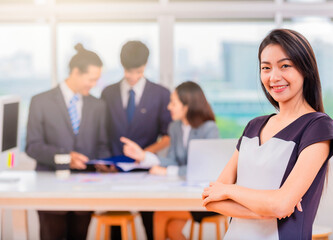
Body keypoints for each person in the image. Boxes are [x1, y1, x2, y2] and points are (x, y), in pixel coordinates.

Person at [201, 29, 333, 240]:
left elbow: (281, 204)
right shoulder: (253, 126)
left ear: (305, 69)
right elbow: (212, 199)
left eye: (285, 65)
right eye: (266, 68)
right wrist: (268, 208)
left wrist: (230, 191)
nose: (274, 77)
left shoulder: (318, 126)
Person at [26, 43, 111, 240]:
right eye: (91, 79)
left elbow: (102, 145)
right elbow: (33, 145)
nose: (93, 85)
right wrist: (65, 158)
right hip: (50, 187)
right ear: (75, 72)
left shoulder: (98, 106)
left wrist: (105, 163)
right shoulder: (40, 101)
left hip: (86, 188)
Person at [121, 81, 219, 240]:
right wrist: (144, 156)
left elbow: (202, 170)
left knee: (160, 215)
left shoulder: (209, 129)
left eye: (173, 103)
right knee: (173, 230)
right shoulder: (175, 127)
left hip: (203, 199)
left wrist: (167, 171)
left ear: (187, 105)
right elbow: (172, 160)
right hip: (183, 195)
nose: (169, 107)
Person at [100, 40, 172, 240]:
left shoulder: (161, 94)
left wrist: (143, 155)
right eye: (128, 72)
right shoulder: (108, 93)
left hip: (147, 169)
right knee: (116, 228)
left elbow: (168, 136)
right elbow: (101, 133)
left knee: (152, 226)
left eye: (138, 72)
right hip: (114, 171)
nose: (132, 77)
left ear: (146, 65)